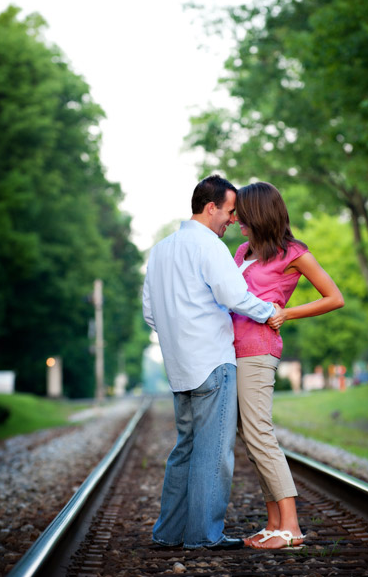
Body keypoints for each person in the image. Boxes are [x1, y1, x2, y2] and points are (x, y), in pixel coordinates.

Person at [142, 175, 284, 550]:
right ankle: (204, 536)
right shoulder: (209, 246)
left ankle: (168, 533)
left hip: (179, 367)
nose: (233, 220)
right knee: (215, 452)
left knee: (185, 449)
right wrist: (269, 312)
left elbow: (150, 313)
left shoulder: (159, 251)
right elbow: (234, 295)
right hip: (214, 364)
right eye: (230, 211)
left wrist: (178, 338)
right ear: (211, 208)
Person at [232, 181, 344, 550]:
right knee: (250, 439)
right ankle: (273, 523)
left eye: (243, 215)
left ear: (259, 214)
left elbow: (334, 297)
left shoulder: (293, 252)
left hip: (259, 348)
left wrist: (287, 312)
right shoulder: (241, 251)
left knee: (260, 434)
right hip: (231, 349)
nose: (237, 221)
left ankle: (292, 527)